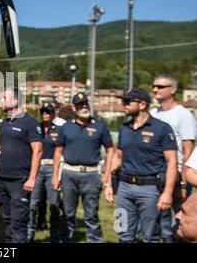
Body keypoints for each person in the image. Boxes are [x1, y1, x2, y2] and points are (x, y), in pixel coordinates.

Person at [105, 88, 178, 243]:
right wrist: (108, 184)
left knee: (150, 235)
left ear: (142, 104)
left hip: (150, 189)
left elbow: (172, 162)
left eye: (127, 102)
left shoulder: (162, 129)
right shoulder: (124, 128)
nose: (123, 105)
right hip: (123, 189)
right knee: (122, 230)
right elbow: (118, 156)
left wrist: (167, 193)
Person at [52, 93, 115, 243]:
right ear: (74, 108)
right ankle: (66, 239)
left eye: (85, 103)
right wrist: (55, 175)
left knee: (91, 213)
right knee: (67, 212)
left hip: (91, 176)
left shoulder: (99, 127)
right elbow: (58, 152)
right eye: (80, 104)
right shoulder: (66, 127)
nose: (84, 107)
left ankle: (95, 240)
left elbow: (110, 149)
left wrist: (107, 175)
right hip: (68, 174)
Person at [0, 87, 43, 243]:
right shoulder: (5, 122)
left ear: (15, 100)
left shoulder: (30, 123)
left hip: (20, 180)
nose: (1, 101)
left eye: (4, 97)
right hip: (2, 177)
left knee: (19, 223)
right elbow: (6, 144)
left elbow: (38, 151)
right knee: (8, 218)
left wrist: (32, 178)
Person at [150, 74, 197, 242]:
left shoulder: (183, 115)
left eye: (161, 86)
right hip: (154, 175)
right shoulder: (153, 113)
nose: (155, 89)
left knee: (177, 225)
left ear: (173, 90)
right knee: (155, 223)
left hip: (176, 176)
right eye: (154, 86)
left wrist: (184, 183)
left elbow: (188, 150)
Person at [27, 103, 65, 243]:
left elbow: (61, 152)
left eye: (48, 112)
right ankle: (29, 235)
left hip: (52, 168)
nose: (45, 114)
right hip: (36, 168)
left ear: (53, 114)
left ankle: (55, 237)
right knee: (33, 204)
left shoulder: (60, 130)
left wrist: (57, 174)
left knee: (54, 204)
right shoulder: (35, 128)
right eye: (43, 111)